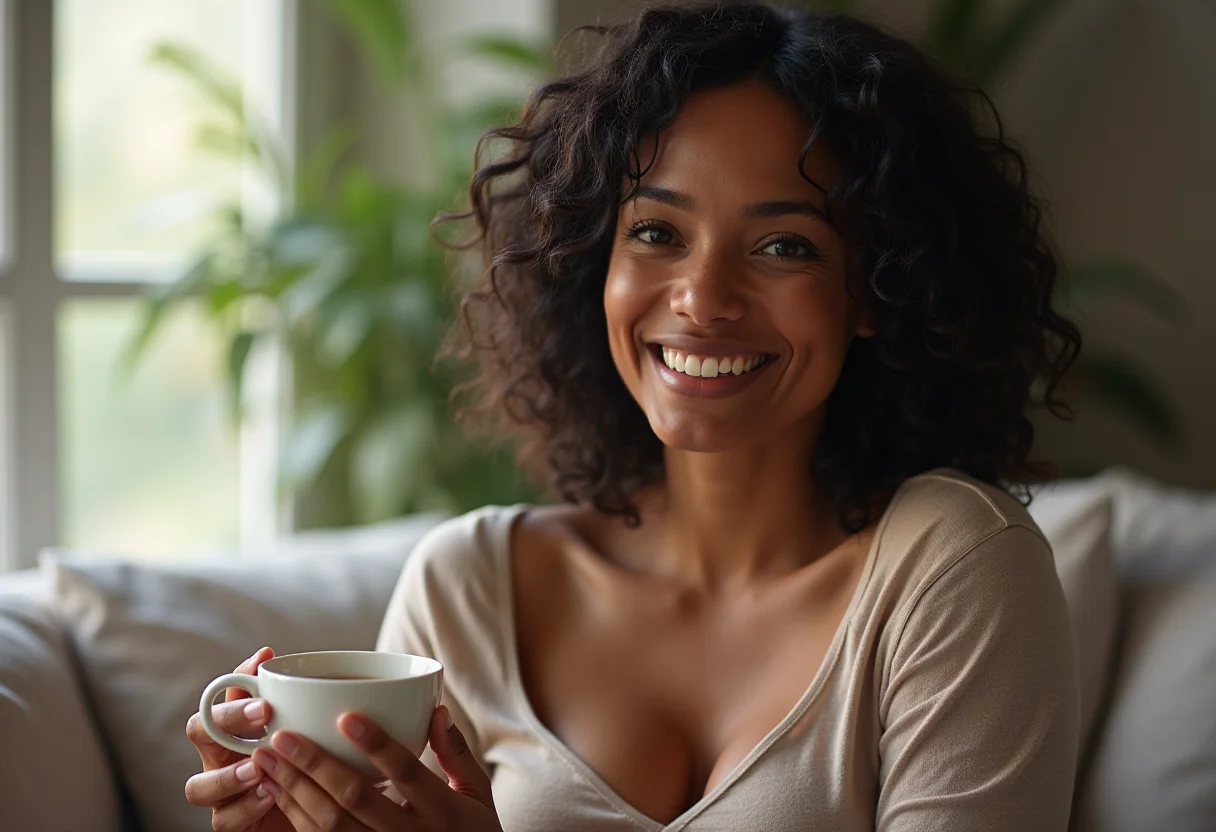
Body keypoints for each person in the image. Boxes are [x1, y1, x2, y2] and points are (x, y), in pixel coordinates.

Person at [184, 3, 1085, 830]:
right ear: (596, 264)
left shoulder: (954, 569)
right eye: (657, 232)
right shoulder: (466, 590)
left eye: (784, 246)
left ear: (877, 290)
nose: (703, 298)